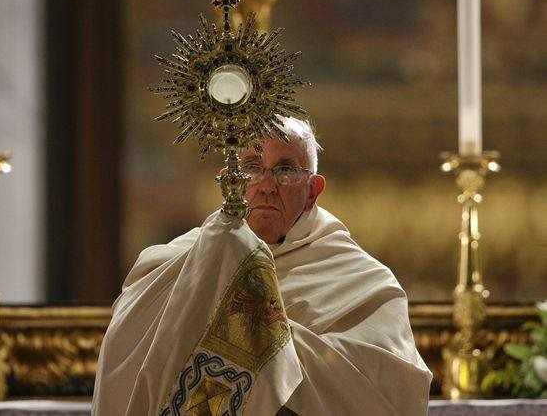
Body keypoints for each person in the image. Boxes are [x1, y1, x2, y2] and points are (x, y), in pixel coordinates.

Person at [92, 116, 432, 415]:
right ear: (228, 180)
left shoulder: (365, 283)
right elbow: (126, 356)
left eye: (285, 170)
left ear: (313, 190)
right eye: (252, 167)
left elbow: (383, 393)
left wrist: (253, 328)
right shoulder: (177, 263)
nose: (267, 186)